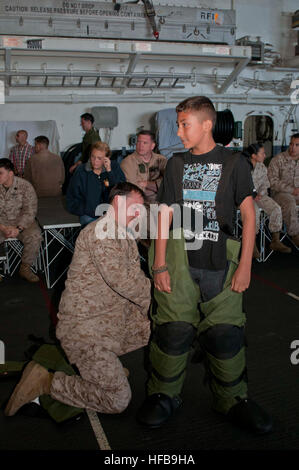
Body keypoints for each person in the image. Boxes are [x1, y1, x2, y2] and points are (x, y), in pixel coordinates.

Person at [137, 96, 273, 434]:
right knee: (173, 331)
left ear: (207, 125)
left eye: (185, 124)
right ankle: (164, 395)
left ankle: (232, 399)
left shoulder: (234, 162)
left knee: (226, 335)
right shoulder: (176, 163)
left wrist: (246, 266)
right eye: (179, 124)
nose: (180, 132)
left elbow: (248, 215)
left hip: (221, 261)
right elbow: (165, 213)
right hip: (180, 261)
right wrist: (159, 264)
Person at [4, 182, 152, 417]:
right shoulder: (102, 234)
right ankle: (47, 382)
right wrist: (160, 296)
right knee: (117, 399)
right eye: (135, 208)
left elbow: (134, 280)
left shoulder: (121, 234)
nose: (139, 214)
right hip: (86, 331)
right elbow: (127, 283)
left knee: (153, 327)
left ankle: (104, 367)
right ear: (117, 202)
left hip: (107, 321)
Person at [245, 142, 291, 257]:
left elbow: (265, 183)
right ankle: (252, 245)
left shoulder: (262, 167)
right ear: (254, 155)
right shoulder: (243, 166)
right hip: (245, 198)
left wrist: (260, 193)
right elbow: (238, 185)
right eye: (262, 153)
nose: (265, 155)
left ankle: (275, 240)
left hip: (259, 196)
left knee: (276, 208)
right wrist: (252, 194)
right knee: (254, 213)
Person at [0, 158, 42, 283]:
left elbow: (30, 211)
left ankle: (25, 268)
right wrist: (3, 227)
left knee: (35, 236)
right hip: (2, 223)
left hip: (22, 222)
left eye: (0, 173)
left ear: (10, 173)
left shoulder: (25, 186)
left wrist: (18, 228)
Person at [66, 141, 126, 226]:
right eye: (93, 157)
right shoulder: (81, 171)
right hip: (89, 215)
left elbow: (121, 191)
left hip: (111, 214)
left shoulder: (114, 168)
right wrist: (85, 209)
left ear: (107, 158)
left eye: (99, 158)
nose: (95, 161)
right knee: (94, 232)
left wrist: (109, 172)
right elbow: (71, 196)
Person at [268, 134, 299, 247]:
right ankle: (295, 235)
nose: (293, 147)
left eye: (297, 145)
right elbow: (272, 181)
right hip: (280, 194)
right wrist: (291, 190)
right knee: (289, 202)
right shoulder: (278, 159)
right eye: (291, 144)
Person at [120, 131, 167, 203]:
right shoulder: (128, 162)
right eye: (138, 142)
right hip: (139, 205)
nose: (140, 146)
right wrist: (158, 189)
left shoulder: (161, 160)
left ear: (152, 146)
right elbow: (133, 190)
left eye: (145, 143)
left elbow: (169, 183)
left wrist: (146, 184)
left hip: (161, 204)